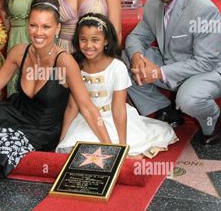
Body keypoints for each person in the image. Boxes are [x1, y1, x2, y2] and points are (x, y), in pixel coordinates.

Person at [0, 0, 112, 177]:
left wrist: (112, 149)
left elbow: (87, 107)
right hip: (14, 112)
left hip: (40, 130)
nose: (38, 32)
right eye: (34, 25)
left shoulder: (65, 62)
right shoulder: (20, 52)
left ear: (57, 28)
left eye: (46, 27)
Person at [125, 0, 221, 145]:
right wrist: (136, 57)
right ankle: (168, 109)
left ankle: (213, 119)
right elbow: (136, 37)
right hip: (172, 64)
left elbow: (205, 62)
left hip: (208, 71)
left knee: (189, 99)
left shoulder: (204, 9)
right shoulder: (153, 3)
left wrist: (159, 72)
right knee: (124, 62)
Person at [56, 14, 177, 156]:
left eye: (95, 40)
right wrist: (62, 138)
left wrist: (122, 144)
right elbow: (72, 106)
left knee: (118, 148)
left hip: (113, 117)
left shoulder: (117, 67)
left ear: (106, 41)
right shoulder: (76, 66)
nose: (88, 45)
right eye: (83, 40)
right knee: (75, 147)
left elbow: (119, 107)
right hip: (86, 119)